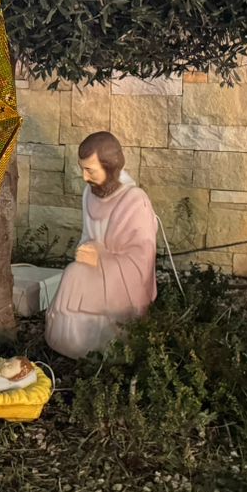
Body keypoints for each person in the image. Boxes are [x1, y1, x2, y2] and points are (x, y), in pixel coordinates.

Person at [44, 131, 158, 359]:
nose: (84, 177)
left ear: (111, 167)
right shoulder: (89, 194)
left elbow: (142, 260)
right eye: (82, 169)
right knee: (73, 274)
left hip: (122, 280)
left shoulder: (135, 201)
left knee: (78, 278)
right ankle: (73, 343)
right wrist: (86, 251)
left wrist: (102, 257)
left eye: (90, 170)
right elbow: (87, 236)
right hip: (93, 270)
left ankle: (109, 348)